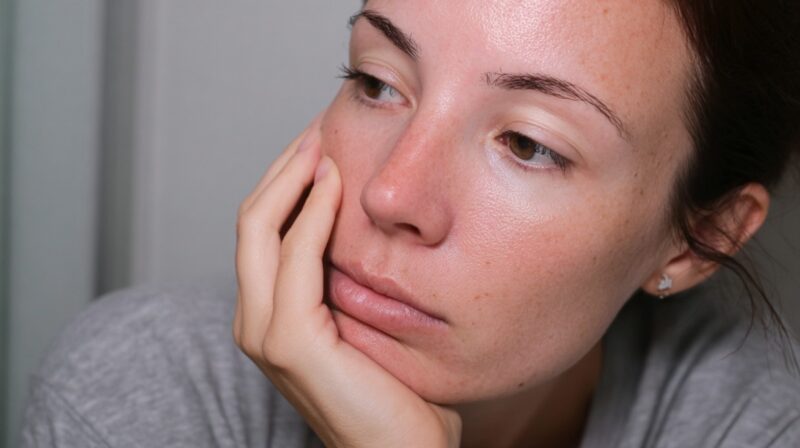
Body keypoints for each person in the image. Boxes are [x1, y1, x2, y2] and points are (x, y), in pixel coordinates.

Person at [20, 0, 800, 447]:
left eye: (528, 144)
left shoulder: (754, 422)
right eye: (376, 81)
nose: (391, 195)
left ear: (701, 239)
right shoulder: (144, 394)